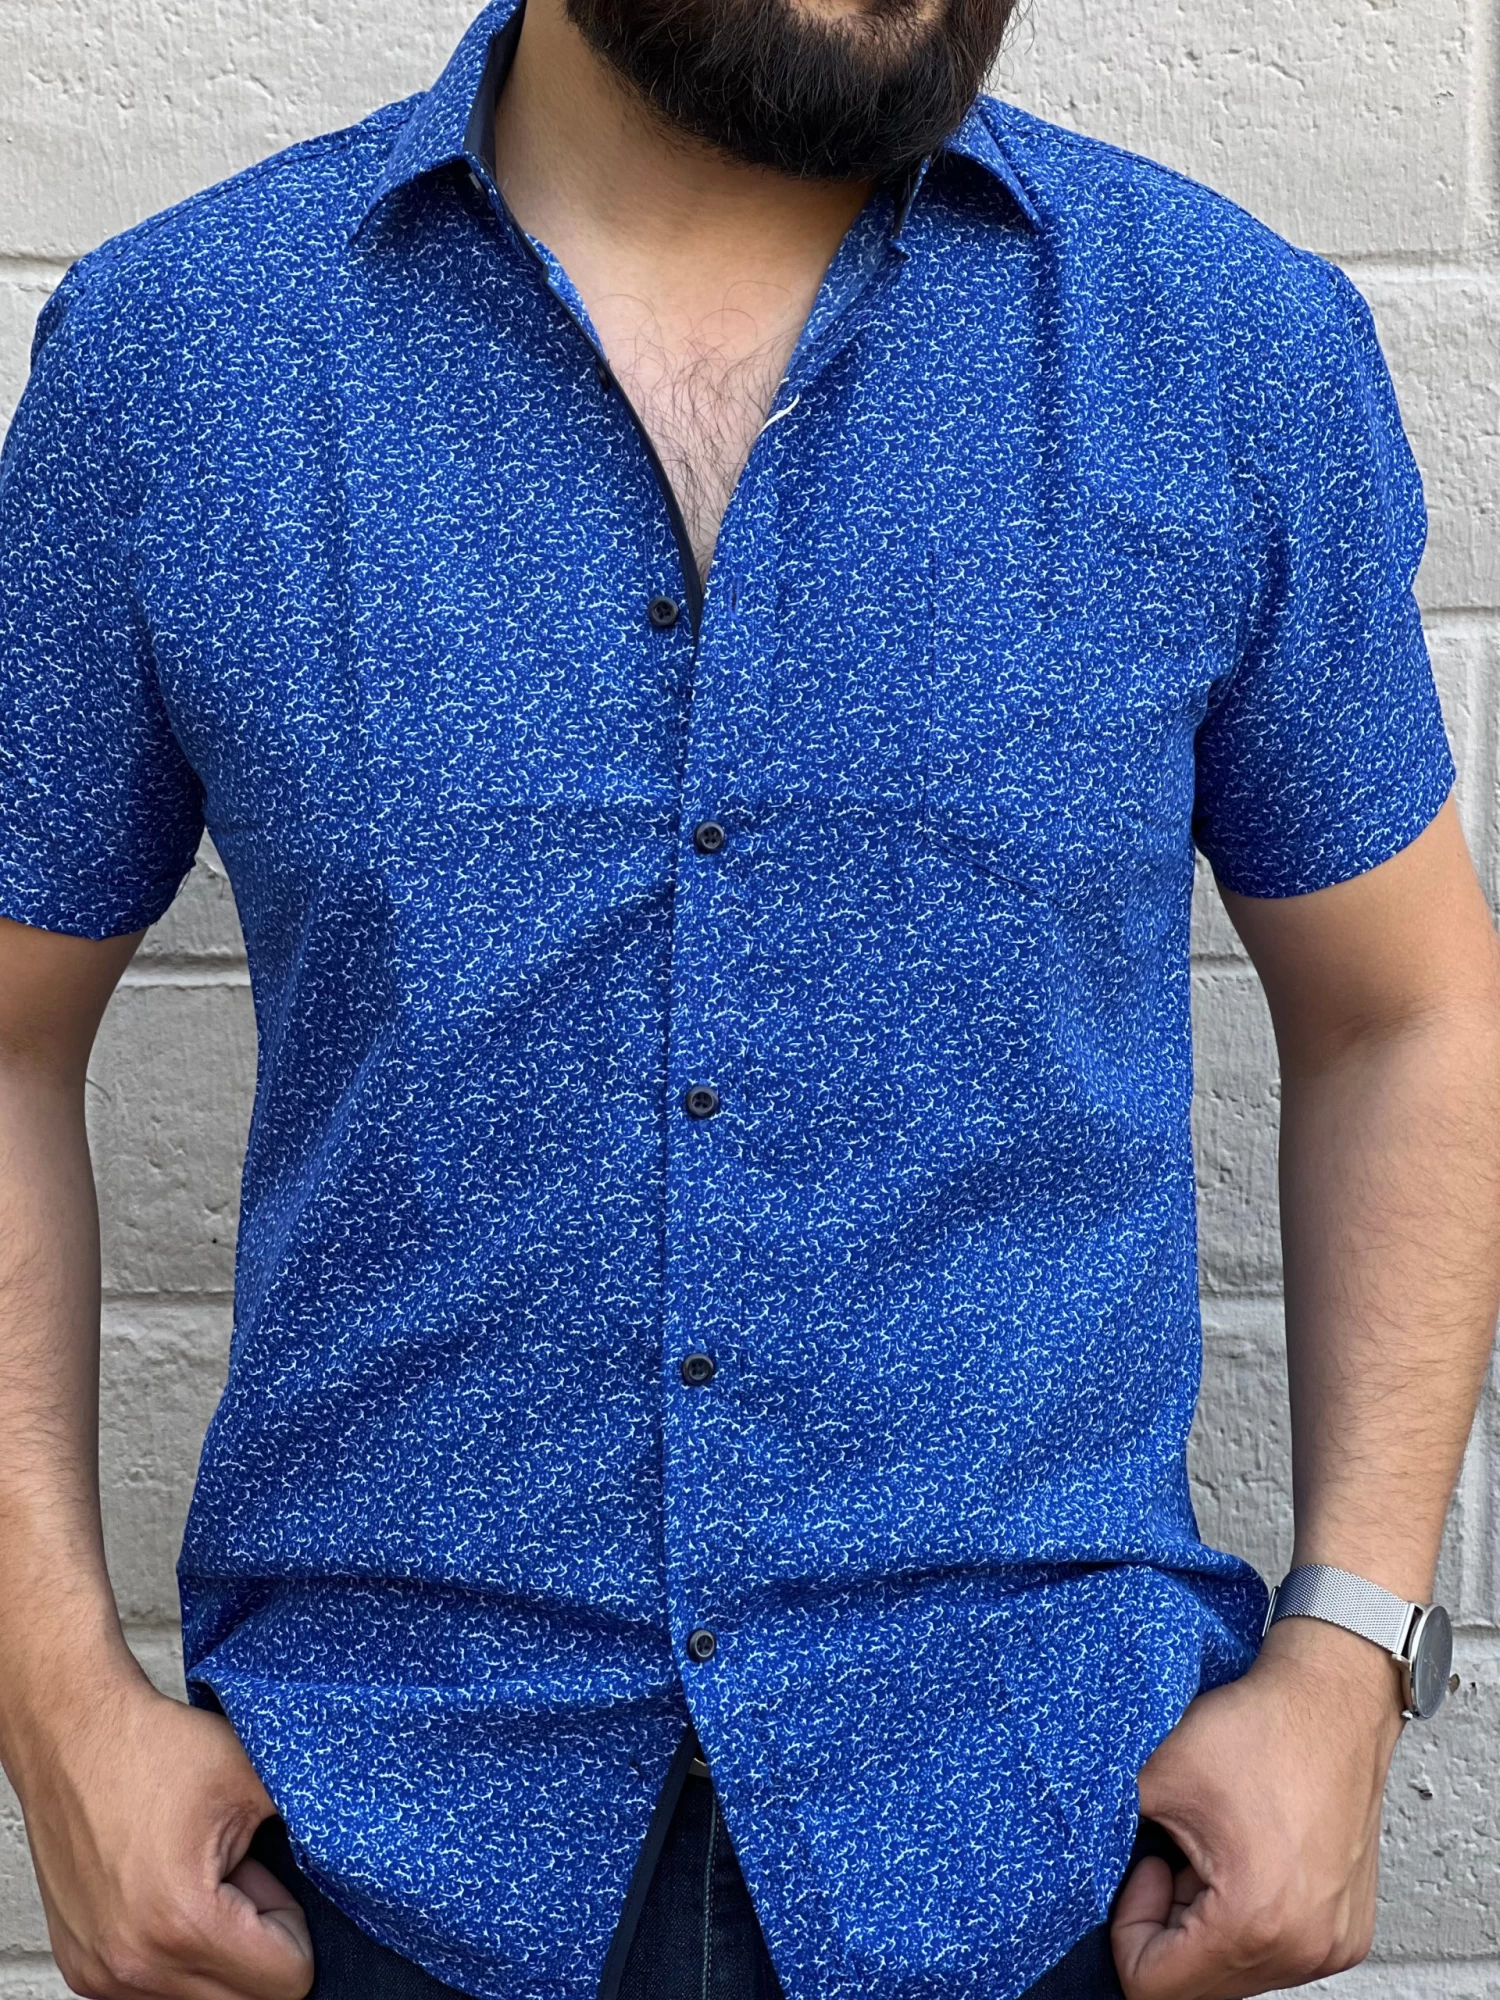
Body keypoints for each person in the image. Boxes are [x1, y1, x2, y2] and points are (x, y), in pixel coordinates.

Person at [1, 0, 1498, 1995]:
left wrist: (1351, 1645)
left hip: (1046, 1842)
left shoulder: (1218, 347)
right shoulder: (188, 359)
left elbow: (1407, 1016)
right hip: (367, 1852)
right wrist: (53, 1699)